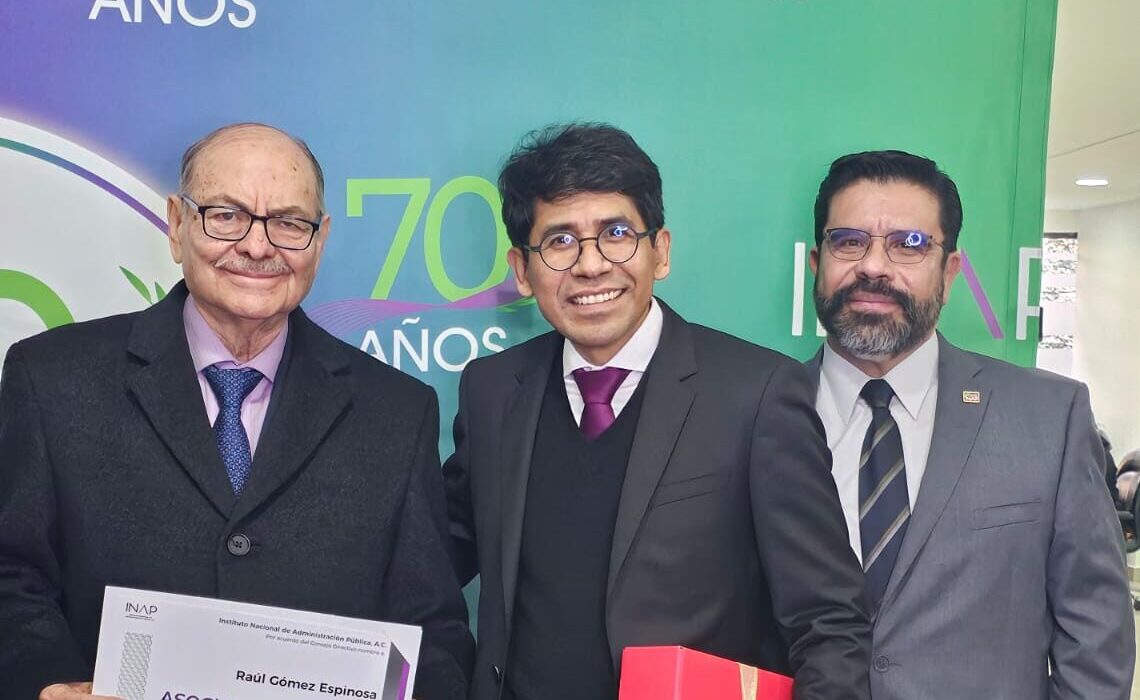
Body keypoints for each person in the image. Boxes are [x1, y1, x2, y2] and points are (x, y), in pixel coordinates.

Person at [0, 123, 473, 700]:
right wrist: (49, 684)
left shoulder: (398, 412)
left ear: (320, 240)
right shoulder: (52, 378)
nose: (257, 246)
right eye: (226, 215)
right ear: (177, 225)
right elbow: (10, 575)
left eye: (289, 222)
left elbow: (433, 631)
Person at [443, 123, 871, 700]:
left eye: (616, 233)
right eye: (560, 241)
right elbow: (431, 556)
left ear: (660, 251)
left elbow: (829, 622)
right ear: (522, 270)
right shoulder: (492, 390)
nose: (591, 265)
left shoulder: (757, 394)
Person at [806, 149, 1134, 698]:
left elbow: (1096, 639)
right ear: (817, 262)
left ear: (950, 271)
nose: (874, 266)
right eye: (849, 241)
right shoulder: (756, 413)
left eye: (910, 243)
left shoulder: (1049, 418)